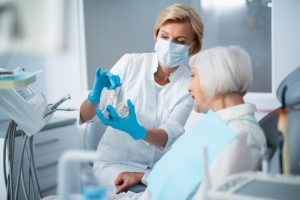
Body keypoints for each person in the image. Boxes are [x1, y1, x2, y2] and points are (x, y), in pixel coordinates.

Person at [109, 46, 267, 199]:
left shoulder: (241, 136)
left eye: (193, 76)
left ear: (214, 78)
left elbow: (209, 195)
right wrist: (145, 177)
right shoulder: (220, 123)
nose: (189, 87)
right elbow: (190, 176)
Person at [79, 4, 204, 194]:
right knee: (140, 195)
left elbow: (166, 137)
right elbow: (86, 116)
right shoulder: (130, 63)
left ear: (192, 45)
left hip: (156, 168)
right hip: (114, 163)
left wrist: (137, 130)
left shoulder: (189, 84)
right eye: (164, 36)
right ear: (156, 37)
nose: (170, 45)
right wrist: (94, 97)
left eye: (179, 41)